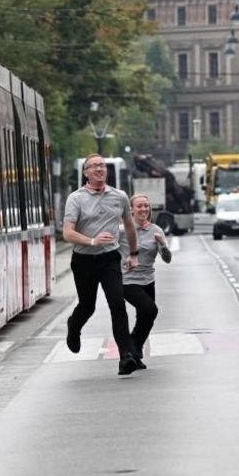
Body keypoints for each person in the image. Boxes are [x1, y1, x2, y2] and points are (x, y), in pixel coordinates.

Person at [62, 153, 141, 376]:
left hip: (109, 258)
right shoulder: (76, 198)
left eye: (102, 166)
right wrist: (92, 241)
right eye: (94, 166)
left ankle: (126, 356)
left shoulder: (119, 196)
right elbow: (67, 233)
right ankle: (73, 326)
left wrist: (133, 253)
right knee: (88, 306)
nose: (99, 169)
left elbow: (129, 226)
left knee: (117, 304)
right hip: (84, 259)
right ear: (85, 172)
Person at [119, 194, 172, 369]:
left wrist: (163, 244)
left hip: (148, 279)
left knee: (146, 317)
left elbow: (167, 259)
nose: (143, 209)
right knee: (150, 309)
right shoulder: (122, 230)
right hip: (128, 280)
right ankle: (132, 347)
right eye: (139, 206)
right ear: (131, 210)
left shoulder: (156, 230)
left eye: (146, 206)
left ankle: (135, 353)